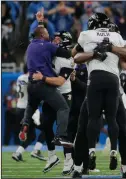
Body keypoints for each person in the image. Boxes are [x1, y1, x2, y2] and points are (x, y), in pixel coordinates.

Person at [72, 13, 126, 176]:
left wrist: (95, 52)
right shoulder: (117, 37)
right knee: (122, 130)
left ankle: (79, 167)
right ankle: (125, 168)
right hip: (115, 88)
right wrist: (112, 48)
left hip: (95, 83)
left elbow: (75, 55)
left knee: (84, 127)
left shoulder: (86, 35)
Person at [19, 10, 73, 147]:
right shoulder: (48, 46)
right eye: (48, 34)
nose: (50, 36)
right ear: (43, 35)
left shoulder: (31, 45)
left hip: (31, 84)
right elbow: (66, 53)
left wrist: (40, 22)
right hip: (44, 84)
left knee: (31, 105)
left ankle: (25, 123)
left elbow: (39, 33)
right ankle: (61, 135)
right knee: (63, 108)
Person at [31, 30, 75, 174]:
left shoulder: (66, 59)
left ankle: (69, 160)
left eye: (57, 38)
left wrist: (42, 78)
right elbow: (40, 39)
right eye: (54, 38)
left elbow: (60, 81)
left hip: (63, 93)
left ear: (64, 41)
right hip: (50, 93)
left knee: (64, 130)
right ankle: (52, 156)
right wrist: (40, 23)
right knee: (46, 125)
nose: (54, 40)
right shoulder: (51, 51)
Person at [12, 65, 46, 162]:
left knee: (31, 136)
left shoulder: (19, 78)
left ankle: (18, 153)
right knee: (46, 128)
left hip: (19, 108)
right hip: (29, 110)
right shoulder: (30, 78)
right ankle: (37, 150)